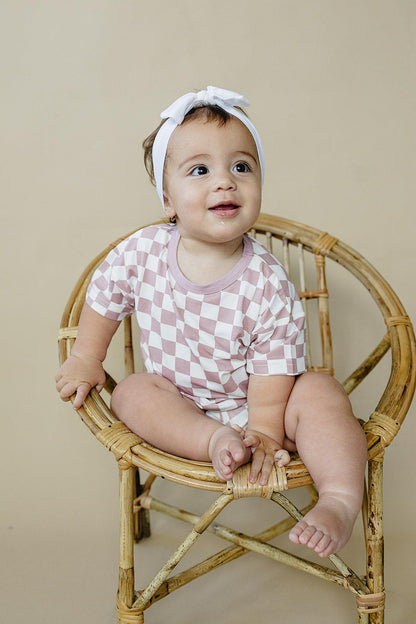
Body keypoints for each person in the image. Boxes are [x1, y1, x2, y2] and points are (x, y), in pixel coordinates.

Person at [56, 86, 367, 558]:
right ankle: (213, 440)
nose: (225, 182)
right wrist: (86, 355)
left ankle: (340, 498)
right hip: (178, 403)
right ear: (168, 200)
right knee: (131, 393)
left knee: (322, 392)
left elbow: (275, 363)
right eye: (200, 170)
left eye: (241, 167)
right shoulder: (143, 252)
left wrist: (264, 430)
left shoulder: (267, 279)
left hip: (263, 403)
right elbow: (105, 297)